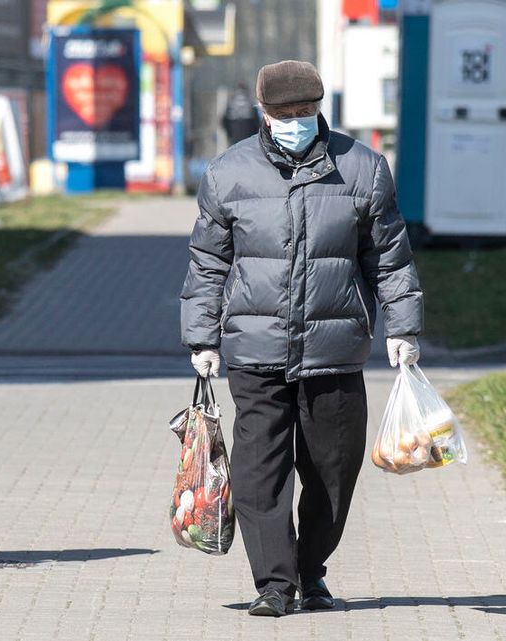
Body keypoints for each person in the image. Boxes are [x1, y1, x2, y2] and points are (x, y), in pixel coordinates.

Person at [180, 60, 423, 617]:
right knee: (258, 470)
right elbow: (208, 262)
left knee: (333, 469)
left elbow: (389, 256)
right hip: (254, 348)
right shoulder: (228, 173)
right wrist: (202, 338)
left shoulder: (362, 169)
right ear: (263, 114)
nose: (295, 122)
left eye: (305, 113)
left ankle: (310, 571)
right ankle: (274, 582)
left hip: (334, 348)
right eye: (284, 114)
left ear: (319, 110)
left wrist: (404, 326)